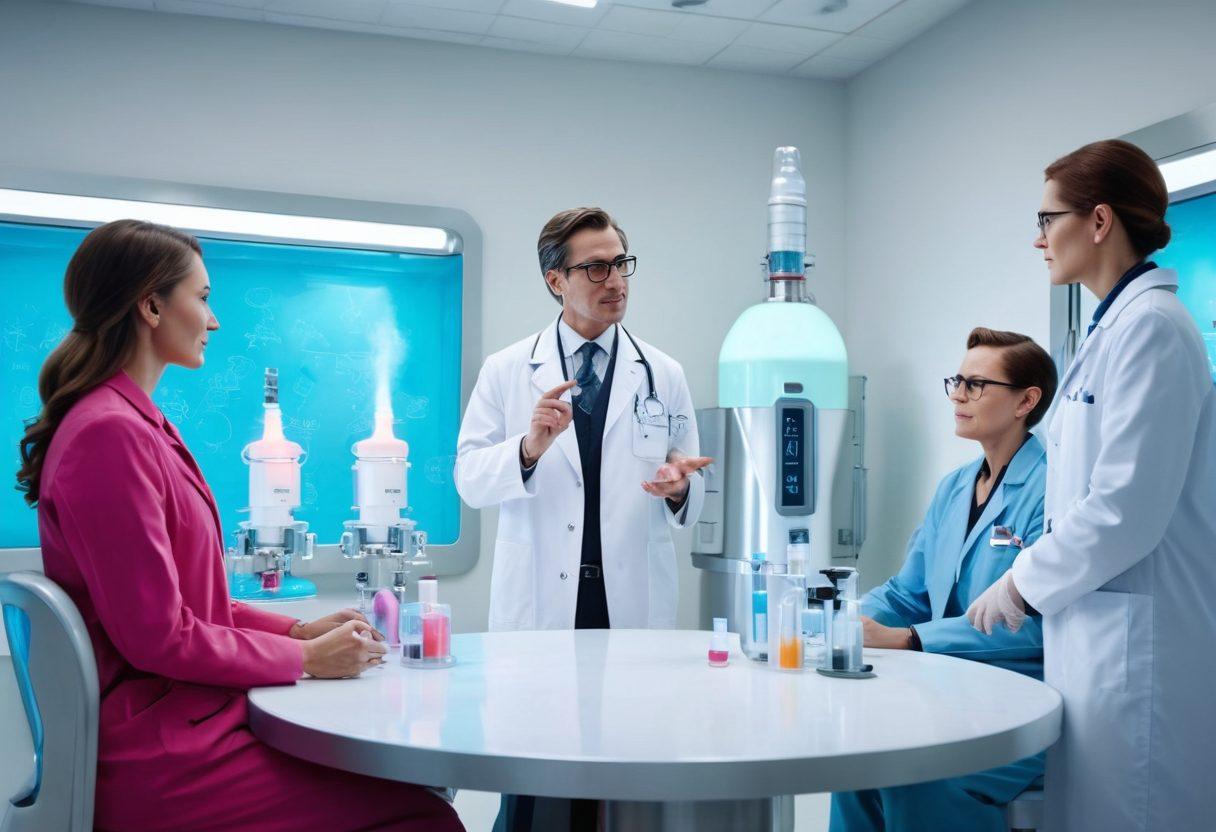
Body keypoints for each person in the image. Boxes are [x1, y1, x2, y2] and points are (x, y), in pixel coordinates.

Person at [17, 220, 463, 832]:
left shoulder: (135, 423)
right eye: (202, 298)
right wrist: (305, 658)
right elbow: (160, 637)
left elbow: (192, 605)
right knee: (421, 813)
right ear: (151, 306)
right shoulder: (109, 433)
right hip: (164, 755)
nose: (214, 320)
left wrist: (300, 629)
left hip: (187, 722)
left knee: (408, 786)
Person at [966, 139, 1216, 830]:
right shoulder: (1113, 330)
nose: (1038, 239)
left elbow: (1125, 508)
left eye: (1048, 220)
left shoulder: (1154, 331)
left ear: (1099, 221)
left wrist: (1021, 582)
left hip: (1141, 652)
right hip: (1099, 642)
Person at [454, 207, 709, 831]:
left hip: (629, 600)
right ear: (555, 280)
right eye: (596, 267)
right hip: (544, 602)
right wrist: (528, 448)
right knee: (537, 784)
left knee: (628, 774)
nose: (615, 280)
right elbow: (469, 479)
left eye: (621, 263)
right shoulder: (508, 370)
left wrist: (680, 489)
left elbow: (691, 487)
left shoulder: (663, 373)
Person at [830, 327, 1056, 832]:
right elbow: (907, 592)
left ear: (1026, 401)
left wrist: (911, 639)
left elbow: (1038, 621)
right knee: (855, 762)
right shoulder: (954, 487)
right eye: (957, 381)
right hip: (947, 692)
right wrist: (840, 618)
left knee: (918, 776)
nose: (957, 395)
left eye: (976, 384)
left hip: (1020, 701)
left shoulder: (1052, 487)